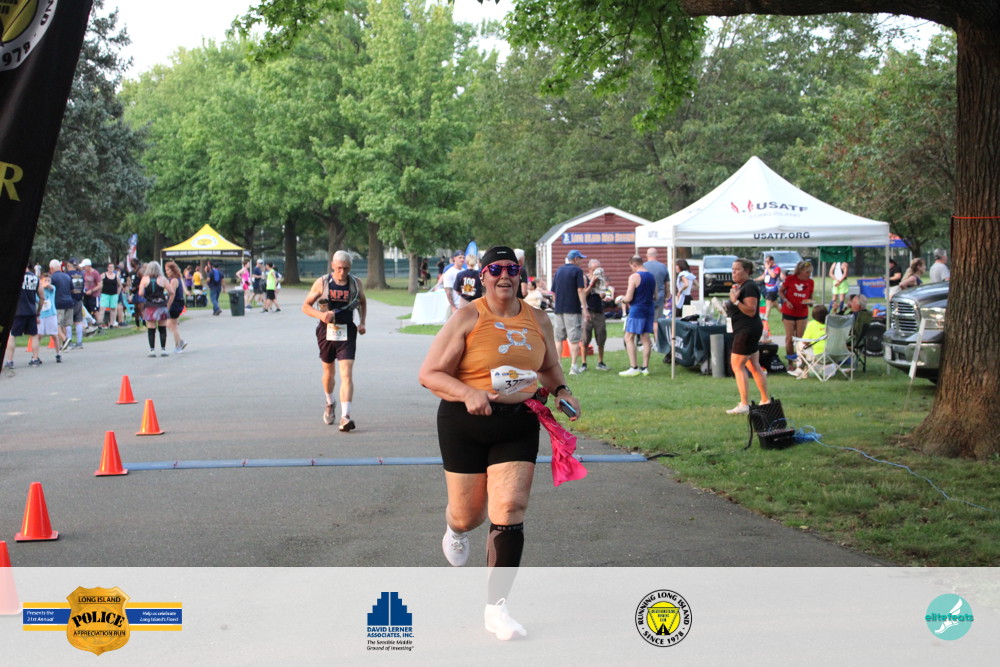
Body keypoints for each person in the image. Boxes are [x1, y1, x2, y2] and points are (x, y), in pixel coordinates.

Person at [417, 245, 580, 641]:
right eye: (495, 269)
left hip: (519, 421)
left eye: (511, 268)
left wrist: (562, 390)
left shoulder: (538, 318)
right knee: (468, 515)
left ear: (520, 274)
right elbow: (430, 373)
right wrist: (467, 393)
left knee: (509, 507)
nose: (504, 275)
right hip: (465, 422)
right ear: (483, 276)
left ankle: (497, 608)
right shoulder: (467, 317)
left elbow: (549, 366)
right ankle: (455, 529)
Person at [302, 250, 367, 431]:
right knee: (328, 373)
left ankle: (345, 417)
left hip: (347, 331)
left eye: (346, 268)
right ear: (332, 265)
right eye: (339, 268)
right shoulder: (322, 283)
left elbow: (362, 301)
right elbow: (305, 306)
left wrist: (362, 322)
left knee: (346, 373)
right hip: (326, 331)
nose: (342, 272)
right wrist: (321, 315)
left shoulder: (355, 283)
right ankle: (330, 401)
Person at [725, 258, 771, 413]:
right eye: (732, 269)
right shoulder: (741, 286)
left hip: (747, 330)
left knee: (737, 365)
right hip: (746, 328)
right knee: (753, 365)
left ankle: (744, 404)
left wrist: (735, 302)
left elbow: (751, 310)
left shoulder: (749, 287)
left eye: (737, 269)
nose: (734, 272)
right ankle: (765, 400)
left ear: (746, 271)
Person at [552, 249, 590, 375]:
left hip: (559, 310)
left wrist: (557, 304)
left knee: (558, 339)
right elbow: (580, 290)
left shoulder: (559, 270)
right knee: (574, 339)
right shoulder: (577, 271)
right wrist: (585, 308)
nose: (581, 262)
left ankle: (558, 365)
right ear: (575, 259)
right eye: (580, 259)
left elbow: (553, 292)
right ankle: (573, 367)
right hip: (572, 309)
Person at [619, 256, 655, 377]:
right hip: (649, 309)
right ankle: (645, 368)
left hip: (637, 310)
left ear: (634, 264)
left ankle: (633, 367)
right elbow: (655, 295)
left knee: (629, 337)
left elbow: (629, 297)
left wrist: (621, 300)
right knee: (646, 338)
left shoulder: (634, 277)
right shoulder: (651, 276)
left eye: (631, 267)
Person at [3, 264, 44, 369]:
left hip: (17, 311)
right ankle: (35, 359)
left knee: (12, 335)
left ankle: (10, 361)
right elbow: (42, 296)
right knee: (34, 335)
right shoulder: (35, 278)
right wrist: (38, 311)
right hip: (31, 311)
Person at [778, 260, 815, 361]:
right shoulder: (791, 279)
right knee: (790, 338)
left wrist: (810, 302)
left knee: (800, 337)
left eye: (810, 272)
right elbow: (781, 291)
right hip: (789, 312)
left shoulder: (810, 282)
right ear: (800, 271)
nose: (809, 274)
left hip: (802, 312)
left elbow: (810, 298)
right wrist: (786, 301)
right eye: (807, 272)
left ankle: (800, 360)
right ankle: (790, 360)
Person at [137, 261, 175, 357]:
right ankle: (163, 349)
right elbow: (171, 292)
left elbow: (140, 293)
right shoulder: (163, 279)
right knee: (162, 328)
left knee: (151, 328)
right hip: (161, 305)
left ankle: (152, 350)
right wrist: (168, 304)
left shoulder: (144, 279)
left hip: (150, 305)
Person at [583, 258, 611, 371]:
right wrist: (591, 283)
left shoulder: (601, 280)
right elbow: (583, 294)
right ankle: (584, 363)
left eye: (599, 268)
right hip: (587, 311)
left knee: (601, 338)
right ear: (589, 269)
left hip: (599, 312)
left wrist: (603, 295)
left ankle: (600, 362)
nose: (597, 271)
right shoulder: (584, 278)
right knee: (585, 338)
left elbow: (602, 294)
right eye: (595, 269)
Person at [789, 305, 828, 379]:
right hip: (833, 353)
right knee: (807, 348)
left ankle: (800, 369)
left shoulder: (812, 324)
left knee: (800, 344)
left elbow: (805, 341)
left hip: (819, 354)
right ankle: (804, 371)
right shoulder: (831, 324)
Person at [49, 259, 75, 352]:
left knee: (56, 324)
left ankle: (65, 339)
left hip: (58, 303)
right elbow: (72, 289)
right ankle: (64, 345)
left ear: (52, 268)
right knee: (65, 324)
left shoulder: (52, 278)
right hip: (69, 302)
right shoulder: (67, 276)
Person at [164, 261, 189, 354]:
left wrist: (168, 305)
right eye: (166, 270)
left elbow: (172, 294)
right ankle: (180, 341)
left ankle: (178, 346)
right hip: (178, 303)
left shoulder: (174, 280)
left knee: (173, 326)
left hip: (175, 304)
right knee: (169, 324)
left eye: (168, 270)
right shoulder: (176, 279)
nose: (166, 272)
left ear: (172, 270)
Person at [37, 272, 62, 363]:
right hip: (41, 314)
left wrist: (47, 285)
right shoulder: (38, 290)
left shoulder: (52, 288)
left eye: (49, 280)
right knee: (39, 335)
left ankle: (58, 353)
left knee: (54, 334)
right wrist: (41, 286)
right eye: (45, 280)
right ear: (41, 281)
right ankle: (35, 355)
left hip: (51, 314)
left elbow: (51, 287)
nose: (47, 282)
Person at [643, 247, 668, 320]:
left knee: (646, 319)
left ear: (647, 255)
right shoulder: (663, 267)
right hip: (660, 297)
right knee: (658, 320)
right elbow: (667, 284)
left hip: (645, 297)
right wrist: (666, 297)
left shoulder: (643, 267)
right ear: (657, 255)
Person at [438, 250, 465, 317]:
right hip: (453, 305)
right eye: (460, 257)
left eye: (463, 258)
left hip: (463, 305)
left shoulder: (465, 271)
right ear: (454, 258)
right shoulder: (449, 273)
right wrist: (453, 307)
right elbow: (448, 292)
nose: (462, 259)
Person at [756, 255, 783, 322]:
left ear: (772, 261)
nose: (767, 263)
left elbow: (773, 276)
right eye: (766, 262)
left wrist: (768, 268)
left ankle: (765, 317)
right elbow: (763, 276)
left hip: (773, 288)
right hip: (767, 288)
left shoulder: (776, 268)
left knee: (768, 302)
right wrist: (755, 279)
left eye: (768, 261)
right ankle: (785, 315)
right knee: (775, 304)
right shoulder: (767, 269)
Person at [98, 262, 121, 328]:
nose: (111, 268)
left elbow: (119, 285)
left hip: (113, 294)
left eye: (112, 267)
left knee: (113, 309)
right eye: (110, 267)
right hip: (105, 294)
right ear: (107, 268)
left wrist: (117, 294)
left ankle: (111, 324)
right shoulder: (103, 275)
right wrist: (100, 292)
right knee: (102, 308)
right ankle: (100, 324)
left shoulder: (116, 276)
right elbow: (100, 284)